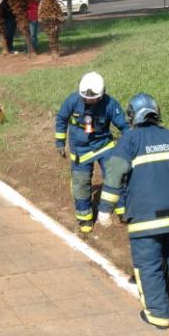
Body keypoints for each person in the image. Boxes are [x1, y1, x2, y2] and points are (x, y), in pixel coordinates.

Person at [98, 93, 169, 330]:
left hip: (145, 217)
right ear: (156, 113)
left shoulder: (129, 140)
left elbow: (115, 172)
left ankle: (158, 314)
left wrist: (105, 208)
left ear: (132, 117)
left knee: (148, 265)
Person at [55, 72, 129, 233]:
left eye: (93, 98)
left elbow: (125, 126)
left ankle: (123, 209)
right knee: (81, 184)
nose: (88, 100)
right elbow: (61, 118)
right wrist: (60, 142)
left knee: (116, 175)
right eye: (85, 98)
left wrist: (129, 145)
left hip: (103, 145)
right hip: (80, 149)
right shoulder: (73, 100)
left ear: (102, 95)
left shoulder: (110, 104)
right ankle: (85, 217)